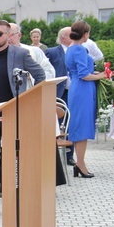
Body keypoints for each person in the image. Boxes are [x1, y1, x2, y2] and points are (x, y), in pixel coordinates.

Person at [0, 20, 45, 215]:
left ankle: (22, 195)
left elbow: (40, 76)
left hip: (12, 112)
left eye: (0, 34)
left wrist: (29, 101)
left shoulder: (21, 54)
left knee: (15, 155)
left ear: (8, 35)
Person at [65, 21, 106, 177]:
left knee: (80, 125)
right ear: (85, 34)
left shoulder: (71, 49)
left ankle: (79, 162)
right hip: (82, 89)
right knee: (82, 127)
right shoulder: (79, 50)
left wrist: (94, 75)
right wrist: (99, 76)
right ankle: (80, 164)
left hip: (78, 87)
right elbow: (83, 74)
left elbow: (78, 72)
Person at [45, 26, 76, 165]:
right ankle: (54, 154)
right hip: (57, 92)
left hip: (73, 92)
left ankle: (70, 155)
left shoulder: (78, 51)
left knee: (71, 122)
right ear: (63, 37)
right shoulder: (52, 52)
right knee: (55, 123)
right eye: (71, 35)